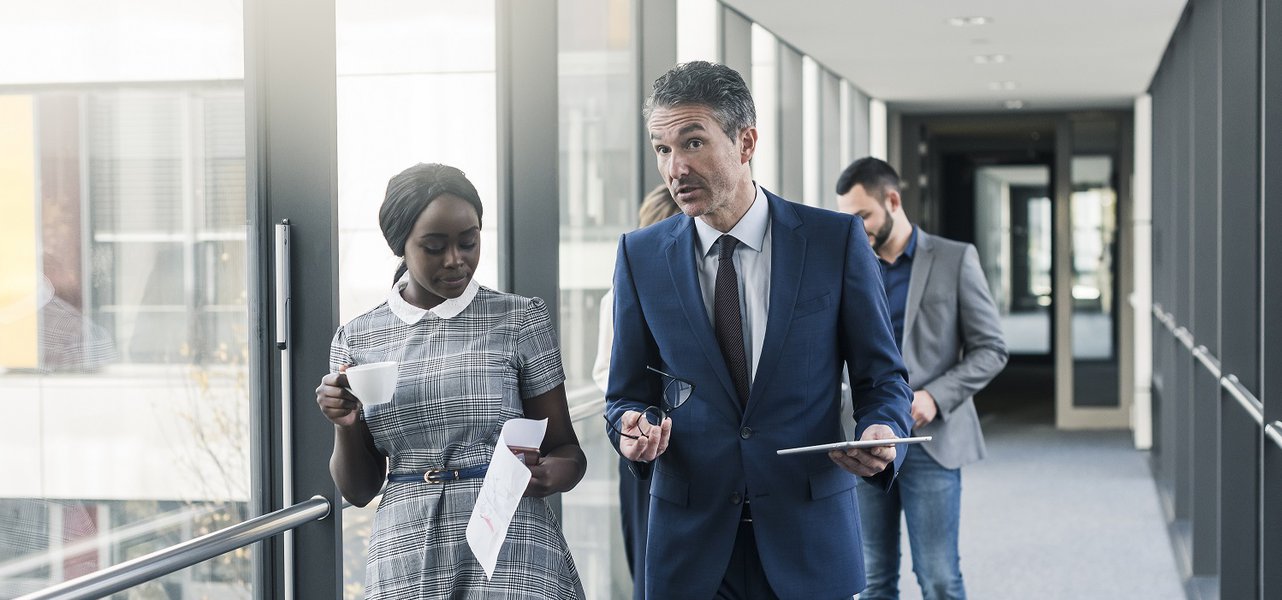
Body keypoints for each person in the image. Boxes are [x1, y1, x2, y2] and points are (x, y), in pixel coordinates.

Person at [604, 61, 914, 599]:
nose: (675, 167)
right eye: (661, 149)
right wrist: (632, 428)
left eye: (693, 142)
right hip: (692, 545)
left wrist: (884, 431)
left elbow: (883, 379)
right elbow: (625, 395)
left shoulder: (834, 241)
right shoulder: (640, 256)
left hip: (807, 534)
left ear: (746, 142)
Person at [314, 163, 587, 599]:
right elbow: (359, 489)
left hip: (510, 539)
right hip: (406, 555)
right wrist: (344, 425)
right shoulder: (357, 339)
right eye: (435, 247)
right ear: (400, 245)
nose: (456, 260)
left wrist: (553, 474)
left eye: (469, 242)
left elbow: (568, 451)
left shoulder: (519, 320)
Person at [835, 157, 1008, 600]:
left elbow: (992, 349)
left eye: (863, 216)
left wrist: (934, 395)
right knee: (872, 579)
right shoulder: (848, 265)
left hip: (931, 438)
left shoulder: (954, 258)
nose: (858, 229)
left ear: (892, 200)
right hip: (867, 437)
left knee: (938, 578)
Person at [591, 184, 682, 599]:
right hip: (644, 442)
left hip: (688, 446)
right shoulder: (624, 291)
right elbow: (608, 375)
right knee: (650, 561)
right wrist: (640, 418)